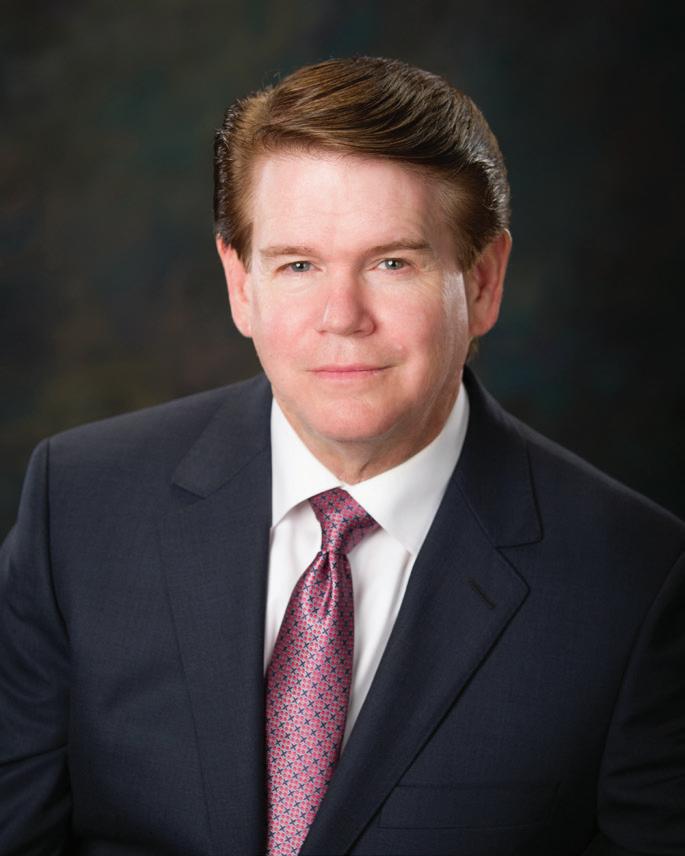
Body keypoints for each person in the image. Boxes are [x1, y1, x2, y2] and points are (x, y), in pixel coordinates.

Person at [0, 56, 683, 856]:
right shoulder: (80, 506)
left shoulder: (635, 581)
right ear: (240, 285)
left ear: (483, 282)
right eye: (298, 265)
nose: (342, 316)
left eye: (392, 262)